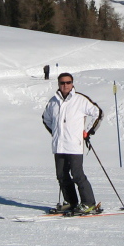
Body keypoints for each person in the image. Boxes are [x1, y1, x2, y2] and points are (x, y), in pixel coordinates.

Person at [41, 73, 102, 214]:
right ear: (58, 84)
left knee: (77, 174)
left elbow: (98, 113)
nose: (65, 85)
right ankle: (71, 202)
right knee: (61, 175)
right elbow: (46, 118)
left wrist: (88, 131)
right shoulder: (53, 101)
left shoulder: (80, 100)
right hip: (59, 145)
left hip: (74, 144)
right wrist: (56, 132)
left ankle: (89, 203)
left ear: (72, 83)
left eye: (68, 82)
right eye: (62, 82)